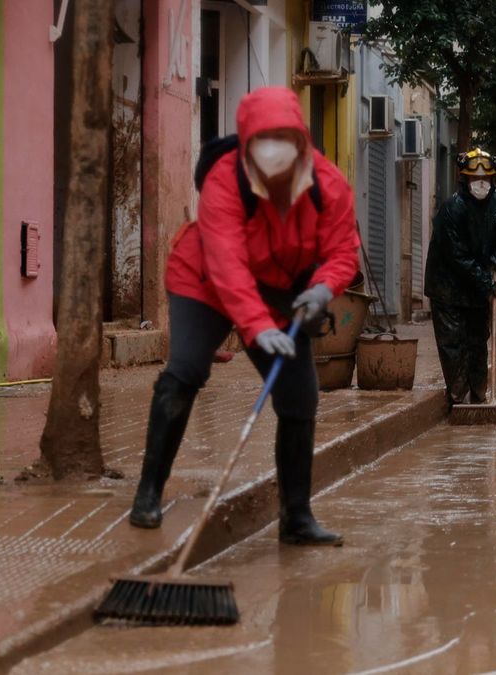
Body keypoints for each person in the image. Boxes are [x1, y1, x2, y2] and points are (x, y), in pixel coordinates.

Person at [132, 86, 360, 545]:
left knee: (300, 397)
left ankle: (296, 518)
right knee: (186, 371)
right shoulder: (225, 178)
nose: (273, 148)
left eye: (283, 137)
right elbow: (226, 262)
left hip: (283, 293)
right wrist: (255, 327)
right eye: (262, 139)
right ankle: (148, 495)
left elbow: (342, 249)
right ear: (246, 142)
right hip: (205, 284)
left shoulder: (327, 183)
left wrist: (322, 289)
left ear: (300, 140)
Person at [424, 148, 496, 406]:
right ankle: (458, 397)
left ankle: (479, 395)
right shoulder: (452, 210)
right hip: (448, 287)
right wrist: (487, 282)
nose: (480, 184)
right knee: (453, 343)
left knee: (477, 342)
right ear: (464, 179)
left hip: (478, 286)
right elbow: (458, 257)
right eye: (475, 179)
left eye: (486, 179)